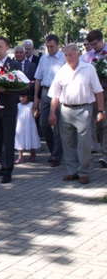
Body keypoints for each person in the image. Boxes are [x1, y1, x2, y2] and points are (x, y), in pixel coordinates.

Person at [49, 44, 105, 184]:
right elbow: (55, 94)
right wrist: (52, 113)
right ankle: (72, 171)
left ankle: (84, 172)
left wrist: (101, 110)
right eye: (66, 55)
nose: (69, 57)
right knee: (68, 142)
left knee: (84, 143)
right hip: (65, 110)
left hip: (84, 109)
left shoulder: (89, 68)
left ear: (78, 54)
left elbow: (98, 91)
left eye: (71, 54)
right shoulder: (61, 71)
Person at [0, 37, 23, 184]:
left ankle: (8, 170)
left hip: (8, 106)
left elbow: (20, 85)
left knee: (8, 139)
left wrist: (6, 89)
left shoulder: (14, 64)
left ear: (7, 47)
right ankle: (2, 165)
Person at [32, 35, 65, 166]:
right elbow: (38, 78)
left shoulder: (64, 58)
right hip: (45, 91)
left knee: (57, 125)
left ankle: (56, 156)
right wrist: (36, 97)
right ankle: (54, 151)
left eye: (52, 46)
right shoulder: (43, 58)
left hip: (59, 92)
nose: (49, 49)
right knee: (43, 124)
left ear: (58, 45)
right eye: (48, 46)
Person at [82, 30, 107, 166]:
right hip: (94, 94)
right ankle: (99, 148)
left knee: (105, 124)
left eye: (95, 44)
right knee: (97, 124)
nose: (93, 47)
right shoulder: (87, 57)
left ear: (102, 40)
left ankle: (105, 155)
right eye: (91, 44)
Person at [15, 94, 41, 164]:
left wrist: (36, 110)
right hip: (20, 126)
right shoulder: (18, 105)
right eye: (20, 97)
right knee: (20, 139)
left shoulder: (31, 104)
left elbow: (35, 115)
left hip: (30, 125)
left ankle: (33, 154)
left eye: (23, 97)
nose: (21, 98)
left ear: (28, 97)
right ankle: (20, 157)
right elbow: (16, 115)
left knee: (32, 138)